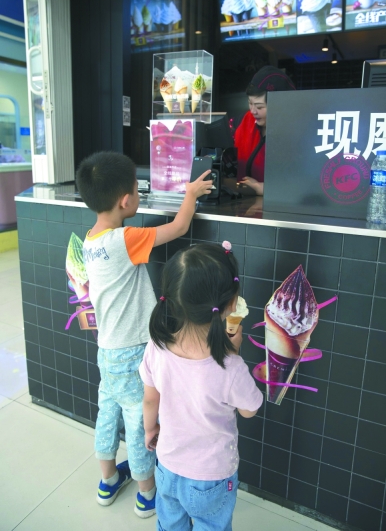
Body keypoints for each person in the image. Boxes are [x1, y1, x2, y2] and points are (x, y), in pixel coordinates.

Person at [75, 151, 212, 517]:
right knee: (139, 421)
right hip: (133, 350)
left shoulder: (91, 239)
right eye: (138, 190)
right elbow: (179, 228)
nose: (140, 195)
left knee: (108, 412)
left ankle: (108, 480)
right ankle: (146, 492)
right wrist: (190, 194)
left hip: (107, 349)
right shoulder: (125, 239)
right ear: (125, 201)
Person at [139, 242, 263, 530]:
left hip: (167, 466)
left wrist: (150, 429)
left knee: (170, 525)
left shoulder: (156, 347)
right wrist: (234, 353)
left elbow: (150, 399)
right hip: (212, 477)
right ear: (232, 304)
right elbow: (250, 410)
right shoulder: (229, 366)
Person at [234, 65, 296, 196]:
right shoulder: (247, 120)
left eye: (259, 107)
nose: (253, 111)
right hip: (244, 202)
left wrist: (263, 188)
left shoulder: (296, 132)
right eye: (250, 103)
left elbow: (303, 186)